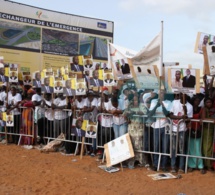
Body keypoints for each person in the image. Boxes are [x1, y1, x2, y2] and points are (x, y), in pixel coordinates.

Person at [169, 93, 193, 173]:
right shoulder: (174, 102)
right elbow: (170, 115)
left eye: (185, 94)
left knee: (182, 149)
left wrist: (185, 112)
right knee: (173, 148)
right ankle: (173, 166)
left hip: (182, 130)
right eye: (181, 94)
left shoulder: (190, 106)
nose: (183, 96)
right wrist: (180, 117)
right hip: (173, 129)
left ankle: (181, 167)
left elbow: (188, 120)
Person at [123, 94, 148, 169]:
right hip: (131, 127)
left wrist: (135, 113)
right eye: (134, 100)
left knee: (139, 144)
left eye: (136, 100)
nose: (135, 101)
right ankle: (132, 161)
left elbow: (144, 112)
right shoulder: (129, 107)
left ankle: (141, 161)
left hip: (139, 127)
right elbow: (124, 114)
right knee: (131, 144)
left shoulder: (141, 106)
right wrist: (127, 119)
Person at [187, 96, 206, 174]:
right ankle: (191, 165)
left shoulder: (201, 109)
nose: (197, 102)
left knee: (198, 148)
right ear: (193, 101)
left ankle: (200, 165)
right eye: (196, 100)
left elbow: (203, 119)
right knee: (190, 149)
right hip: (190, 130)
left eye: (198, 100)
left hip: (197, 130)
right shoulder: (189, 108)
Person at [201, 97, 215, 171]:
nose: (209, 103)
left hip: (212, 129)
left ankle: (210, 164)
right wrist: (212, 120)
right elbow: (203, 118)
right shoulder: (204, 109)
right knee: (206, 147)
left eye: (210, 102)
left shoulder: (212, 110)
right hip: (207, 130)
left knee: (210, 147)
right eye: (207, 102)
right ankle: (207, 164)